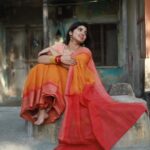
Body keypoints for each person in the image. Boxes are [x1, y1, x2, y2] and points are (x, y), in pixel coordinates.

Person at [20, 22, 147, 150]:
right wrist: (58, 59)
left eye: (85, 33)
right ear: (70, 32)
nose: (83, 34)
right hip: (57, 83)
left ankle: (44, 110)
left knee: (52, 69)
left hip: (75, 86)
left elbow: (75, 67)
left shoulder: (84, 51)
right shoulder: (59, 47)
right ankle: (42, 110)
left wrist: (57, 58)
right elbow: (41, 59)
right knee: (39, 68)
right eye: (80, 30)